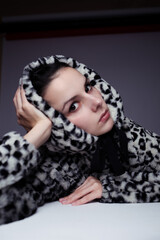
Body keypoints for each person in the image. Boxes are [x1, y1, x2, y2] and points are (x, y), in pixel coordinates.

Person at [0, 55, 160, 225]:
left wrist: (110, 187)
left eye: (88, 87)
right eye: (73, 106)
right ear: (56, 123)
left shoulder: (126, 134)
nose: (97, 101)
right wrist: (37, 132)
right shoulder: (57, 169)